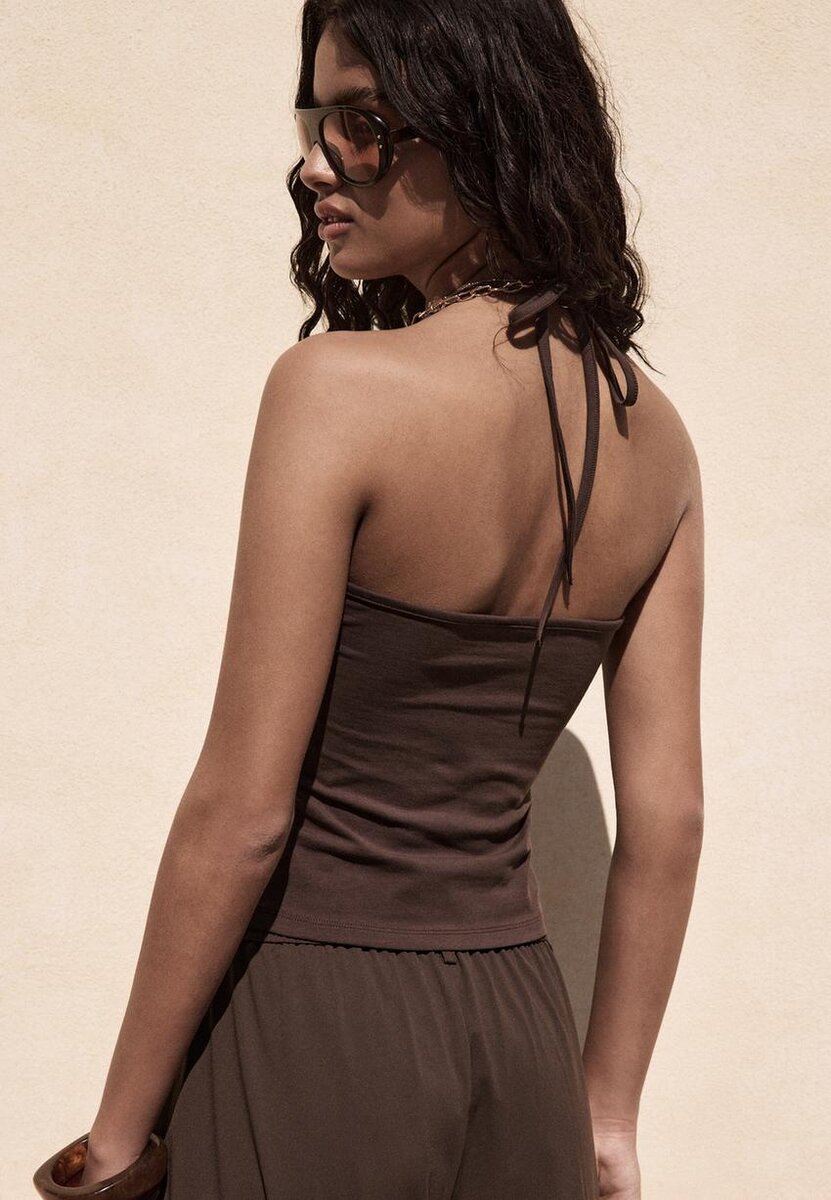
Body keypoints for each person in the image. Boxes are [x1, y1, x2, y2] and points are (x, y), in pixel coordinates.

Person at [74, 2, 704, 1198]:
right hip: (522, 1047)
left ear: (485, 129)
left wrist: (114, 1141)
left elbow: (242, 814)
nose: (317, 164)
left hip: (315, 1032)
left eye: (361, 124)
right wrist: (608, 1113)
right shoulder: (657, 440)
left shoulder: (336, 393)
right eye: (314, 124)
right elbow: (668, 818)